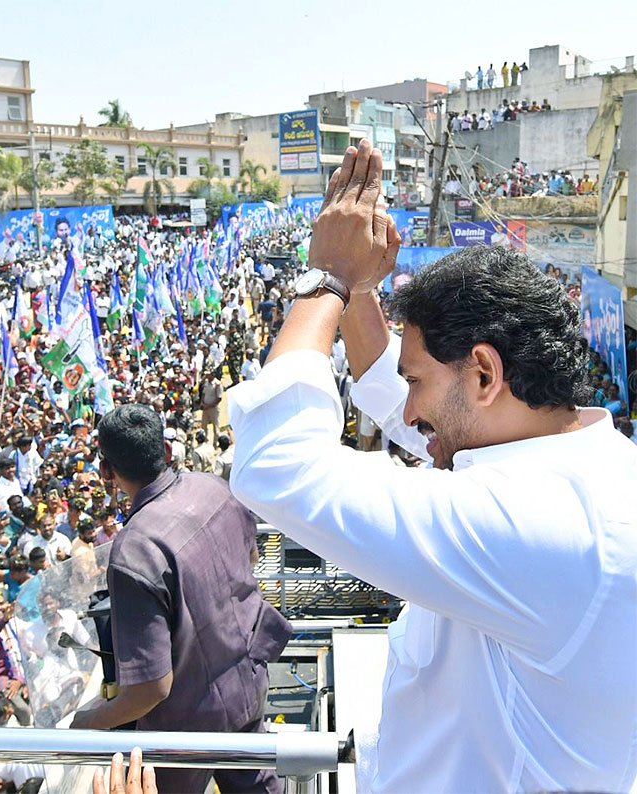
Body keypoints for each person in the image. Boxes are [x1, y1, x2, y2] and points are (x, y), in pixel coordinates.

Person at [228, 140, 637, 792]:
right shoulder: (575, 465)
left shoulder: (540, 524)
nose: (408, 408)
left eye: (418, 378)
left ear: (483, 374)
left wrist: (326, 276)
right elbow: (400, 405)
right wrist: (361, 291)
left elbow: (275, 462)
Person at [70, 403, 290, 793]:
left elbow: (150, 689)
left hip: (187, 730)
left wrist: (89, 722)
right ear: (166, 451)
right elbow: (251, 557)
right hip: (247, 679)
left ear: (106, 472)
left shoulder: (135, 551)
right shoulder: (215, 487)